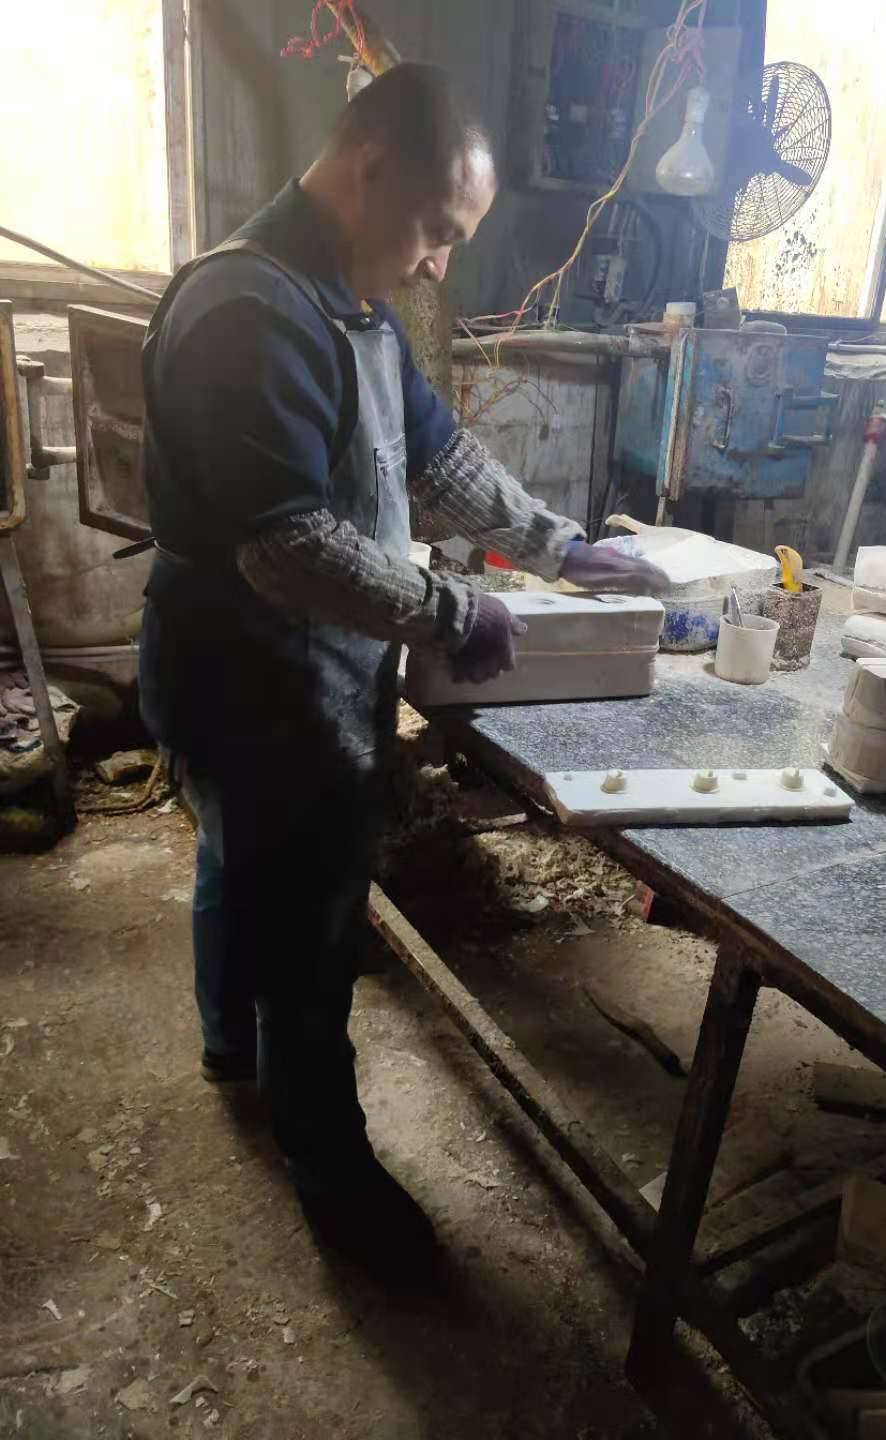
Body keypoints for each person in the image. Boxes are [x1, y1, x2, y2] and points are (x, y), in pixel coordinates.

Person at [138, 62, 662, 1264]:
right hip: (250, 676)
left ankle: (228, 1046)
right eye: (438, 231)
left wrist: (558, 543)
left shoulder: (354, 307)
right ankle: (338, 1188)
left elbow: (439, 460)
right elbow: (285, 547)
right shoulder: (248, 313)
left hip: (302, 669)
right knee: (310, 935)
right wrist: (448, 610)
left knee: (241, 867)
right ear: (367, 171)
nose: (439, 265)